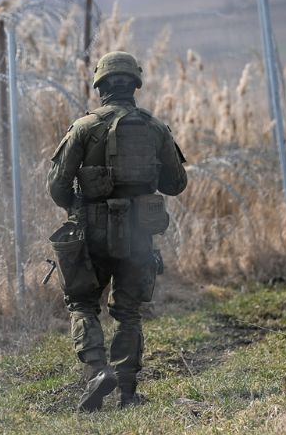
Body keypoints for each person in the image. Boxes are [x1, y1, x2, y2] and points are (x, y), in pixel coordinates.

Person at [46, 51, 188, 412]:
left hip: (90, 231)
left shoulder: (83, 127)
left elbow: (58, 187)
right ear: (134, 85)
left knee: (82, 303)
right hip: (138, 233)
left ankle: (97, 371)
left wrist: (77, 205)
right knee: (128, 311)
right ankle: (126, 391)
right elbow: (176, 184)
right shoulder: (155, 128)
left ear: (101, 85)